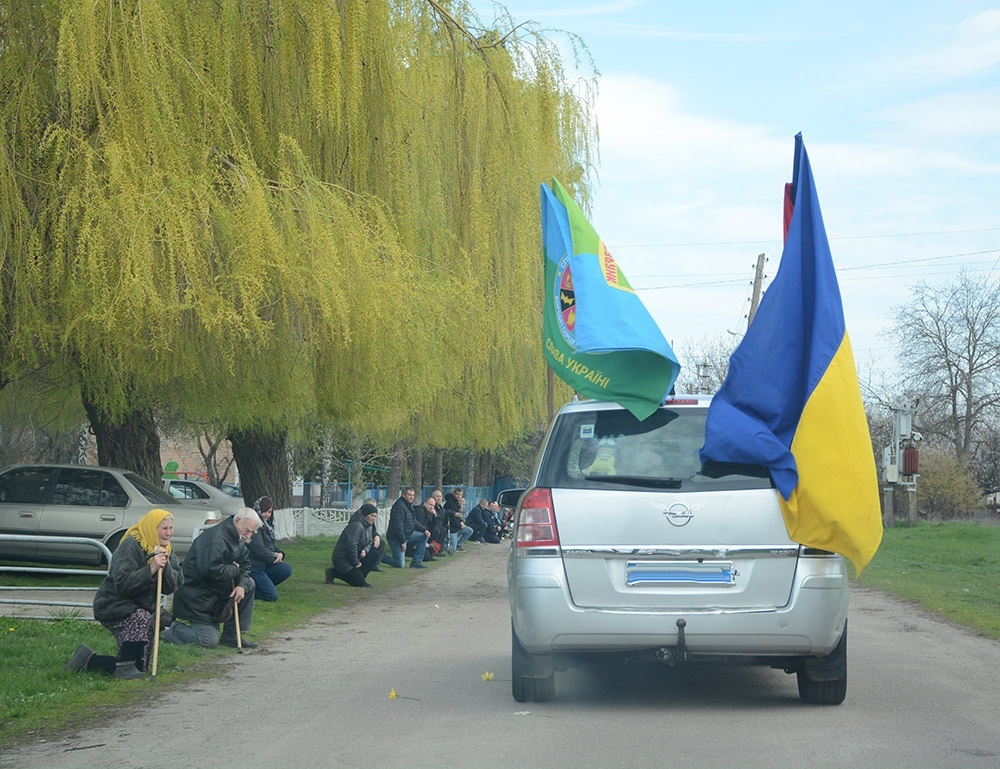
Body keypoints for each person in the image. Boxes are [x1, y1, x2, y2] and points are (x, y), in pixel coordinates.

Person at [66, 508, 182, 679]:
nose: (169, 533)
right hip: (114, 605)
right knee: (140, 619)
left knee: (139, 668)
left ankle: (88, 660)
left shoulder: (167, 550)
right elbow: (123, 584)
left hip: (139, 607)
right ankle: (121, 668)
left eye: (171, 528)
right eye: (164, 528)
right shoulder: (131, 545)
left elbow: (172, 586)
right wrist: (151, 568)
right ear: (151, 528)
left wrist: (165, 568)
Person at [161, 507, 261, 649]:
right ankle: (169, 629)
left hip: (214, 593)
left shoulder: (237, 537)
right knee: (208, 641)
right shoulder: (216, 539)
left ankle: (232, 635)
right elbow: (211, 572)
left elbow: (245, 565)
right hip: (197, 596)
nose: (249, 536)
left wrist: (241, 586)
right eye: (248, 531)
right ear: (237, 521)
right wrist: (234, 569)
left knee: (248, 584)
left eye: (252, 532)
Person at [248, 496, 292, 601]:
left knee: (285, 569)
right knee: (271, 596)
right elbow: (258, 549)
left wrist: (280, 554)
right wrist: (273, 557)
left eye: (269, 512)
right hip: (254, 566)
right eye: (264, 512)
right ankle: (250, 593)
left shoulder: (267, 526)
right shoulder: (254, 526)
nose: (266, 515)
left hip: (264, 564)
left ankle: (263, 586)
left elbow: (270, 545)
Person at [330, 503, 381, 587]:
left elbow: (369, 542)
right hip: (343, 558)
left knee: (374, 554)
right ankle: (333, 572)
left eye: (375, 516)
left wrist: (365, 550)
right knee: (359, 583)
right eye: (372, 516)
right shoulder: (356, 526)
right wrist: (356, 563)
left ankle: (359, 577)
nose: (373, 519)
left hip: (357, 554)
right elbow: (351, 546)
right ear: (365, 515)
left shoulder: (369, 526)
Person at [382, 486, 429, 569]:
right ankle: (379, 556)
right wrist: (402, 541)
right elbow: (398, 526)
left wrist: (424, 530)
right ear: (403, 495)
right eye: (409, 495)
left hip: (408, 535)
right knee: (399, 564)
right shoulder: (399, 507)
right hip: (396, 538)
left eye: (413, 495)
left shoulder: (408, 505)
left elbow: (413, 522)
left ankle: (416, 561)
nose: (412, 497)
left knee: (424, 535)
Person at [443, 488, 473, 552]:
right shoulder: (450, 503)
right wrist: (459, 524)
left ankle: (459, 545)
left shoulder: (456, 503)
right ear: (454, 494)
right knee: (453, 549)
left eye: (460, 495)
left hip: (457, 527)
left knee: (469, 530)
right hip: (452, 529)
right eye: (457, 494)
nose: (459, 496)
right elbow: (452, 518)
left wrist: (461, 522)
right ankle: (442, 545)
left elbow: (458, 516)